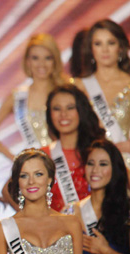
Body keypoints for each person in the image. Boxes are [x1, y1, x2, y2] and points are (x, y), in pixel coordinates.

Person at [0, 34, 66, 160]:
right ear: (27, 61)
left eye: (47, 58)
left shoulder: (66, 92)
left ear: (55, 60)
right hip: (36, 172)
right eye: (35, 58)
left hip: (67, 168)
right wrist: (16, 160)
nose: (41, 64)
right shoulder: (18, 97)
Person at [39, 84, 105, 212]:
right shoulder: (42, 156)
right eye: (57, 109)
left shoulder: (99, 151)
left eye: (70, 108)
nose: (63, 114)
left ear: (81, 111)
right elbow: (9, 190)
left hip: (95, 230)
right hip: (57, 230)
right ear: (49, 114)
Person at [74, 20, 130, 166]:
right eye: (98, 44)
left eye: (111, 43)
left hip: (126, 164)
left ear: (120, 47)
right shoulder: (79, 86)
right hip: (91, 167)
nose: (105, 50)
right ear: (90, 49)